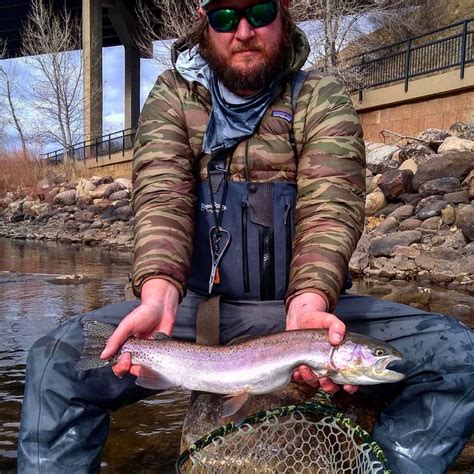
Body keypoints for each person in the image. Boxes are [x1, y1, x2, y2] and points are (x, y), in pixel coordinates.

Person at [18, 0, 473, 472]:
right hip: (193, 310)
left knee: (461, 356)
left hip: (304, 315)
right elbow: (161, 202)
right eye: (223, 17)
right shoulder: (173, 97)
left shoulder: (319, 95)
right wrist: (157, 296)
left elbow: (330, 209)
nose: (242, 31)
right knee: (54, 363)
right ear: (202, 20)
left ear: (285, 13)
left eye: (258, 12)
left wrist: (311, 301)